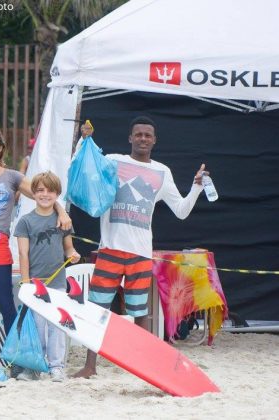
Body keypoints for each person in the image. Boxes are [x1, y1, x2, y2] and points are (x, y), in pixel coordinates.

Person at [73, 116, 206, 379]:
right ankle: (90, 366)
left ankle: (144, 368)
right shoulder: (113, 161)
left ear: (154, 140)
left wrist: (196, 187)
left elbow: (180, 212)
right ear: (130, 138)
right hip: (110, 249)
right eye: (138, 134)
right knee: (96, 310)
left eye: (148, 135)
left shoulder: (162, 172)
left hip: (141, 254)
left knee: (140, 313)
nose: (143, 138)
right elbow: (81, 165)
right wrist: (84, 139)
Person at [0, 126, 71, 369]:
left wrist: (61, 211)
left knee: (6, 303)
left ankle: (16, 358)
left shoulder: (12, 177)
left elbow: (44, 195)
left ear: (1, 149)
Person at [14, 171, 80, 382]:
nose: (45, 194)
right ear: (33, 193)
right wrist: (25, 282)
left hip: (58, 284)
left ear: (57, 193)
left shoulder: (63, 221)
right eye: (40, 190)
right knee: (37, 326)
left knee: (57, 325)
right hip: (35, 284)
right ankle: (35, 366)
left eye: (50, 190)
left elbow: (68, 248)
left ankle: (56, 366)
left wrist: (73, 255)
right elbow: (23, 253)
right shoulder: (25, 221)